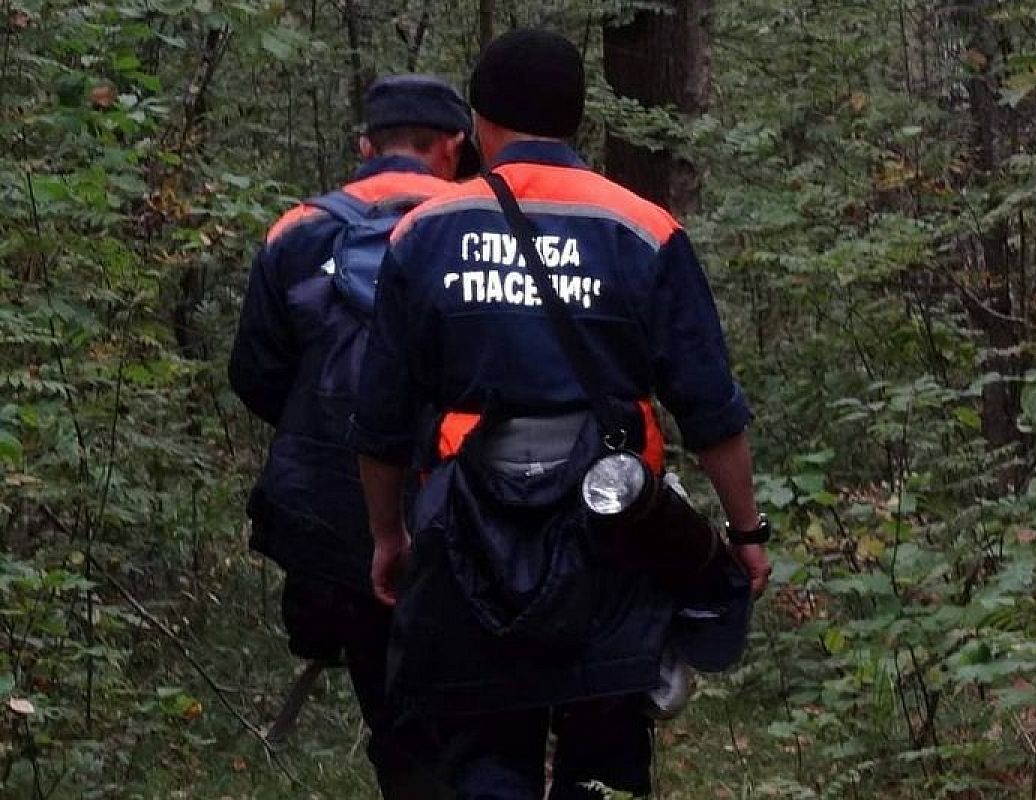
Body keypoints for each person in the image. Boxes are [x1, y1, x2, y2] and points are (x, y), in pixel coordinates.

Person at [351, 30, 772, 800]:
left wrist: (389, 536)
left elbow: (380, 417)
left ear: (478, 124)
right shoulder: (643, 229)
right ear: (576, 120)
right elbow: (711, 408)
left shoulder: (423, 233)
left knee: (483, 749)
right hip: (611, 534)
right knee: (603, 751)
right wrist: (744, 534)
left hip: (468, 536)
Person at [228, 74, 474, 799]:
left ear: (364, 146)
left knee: (388, 702)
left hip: (339, 510)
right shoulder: (488, 223)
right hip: (470, 496)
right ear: (454, 147)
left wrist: (336, 438)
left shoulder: (296, 231)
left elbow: (255, 375)